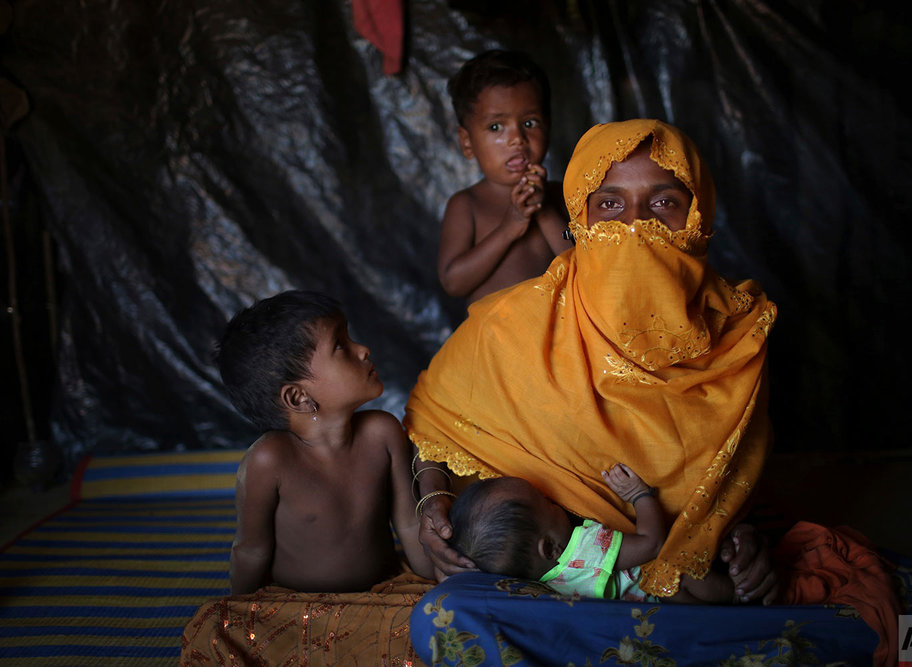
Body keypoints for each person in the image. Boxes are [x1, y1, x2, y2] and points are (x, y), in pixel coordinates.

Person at [405, 119, 780, 603]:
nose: (633, 226)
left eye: (664, 203)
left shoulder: (739, 338)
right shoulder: (511, 326)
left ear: (699, 217)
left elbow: (725, 482)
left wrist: (734, 538)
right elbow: (434, 425)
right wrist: (433, 500)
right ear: (579, 219)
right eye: (609, 205)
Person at [215, 290, 433, 594]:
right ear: (298, 396)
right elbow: (251, 550)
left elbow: (409, 523)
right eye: (341, 345)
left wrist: (438, 580)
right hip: (301, 607)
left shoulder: (382, 432)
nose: (363, 349)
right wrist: (240, 610)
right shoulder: (270, 461)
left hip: (382, 590)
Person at [449, 464, 738, 604]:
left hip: (652, 614)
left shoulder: (547, 585)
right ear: (549, 548)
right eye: (547, 502)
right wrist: (639, 496)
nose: (556, 500)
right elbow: (652, 544)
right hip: (663, 597)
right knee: (679, 572)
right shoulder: (584, 551)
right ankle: (741, 600)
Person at [438, 49, 573, 304]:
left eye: (530, 123)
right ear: (467, 142)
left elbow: (581, 261)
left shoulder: (560, 194)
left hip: (561, 334)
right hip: (496, 341)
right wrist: (510, 226)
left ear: (549, 127)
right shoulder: (468, 204)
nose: (517, 139)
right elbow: (453, 282)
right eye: (496, 127)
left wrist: (544, 212)